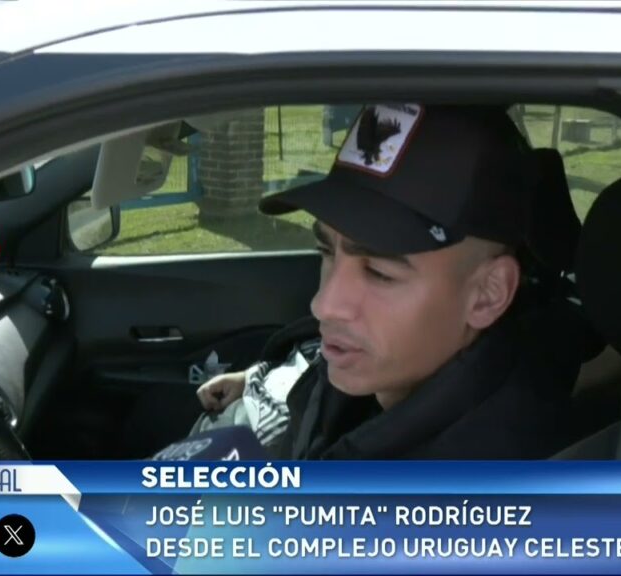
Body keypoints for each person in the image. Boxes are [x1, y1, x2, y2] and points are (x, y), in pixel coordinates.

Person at [193, 103, 571, 459]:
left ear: (487, 295)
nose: (323, 304)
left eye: (379, 272)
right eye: (326, 253)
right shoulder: (390, 377)